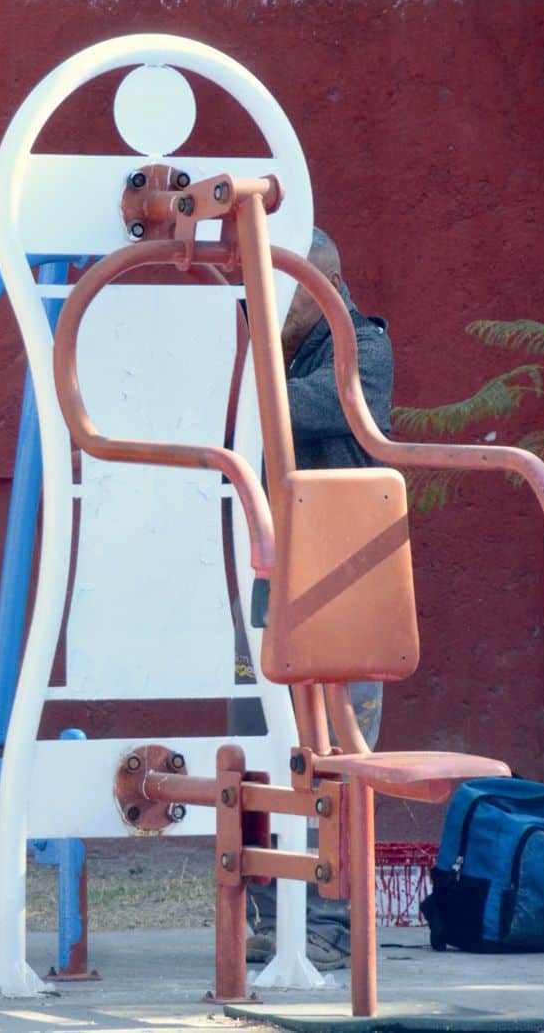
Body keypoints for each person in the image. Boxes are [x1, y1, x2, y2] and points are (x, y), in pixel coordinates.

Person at [228, 227, 393, 970]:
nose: (255, 307)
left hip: (343, 594)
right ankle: (272, 916)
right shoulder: (286, 352)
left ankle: (329, 926)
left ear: (312, 286)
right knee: (260, 760)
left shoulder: (363, 347)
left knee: (332, 763)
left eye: (271, 291)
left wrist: (230, 378)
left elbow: (288, 411)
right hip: (276, 586)